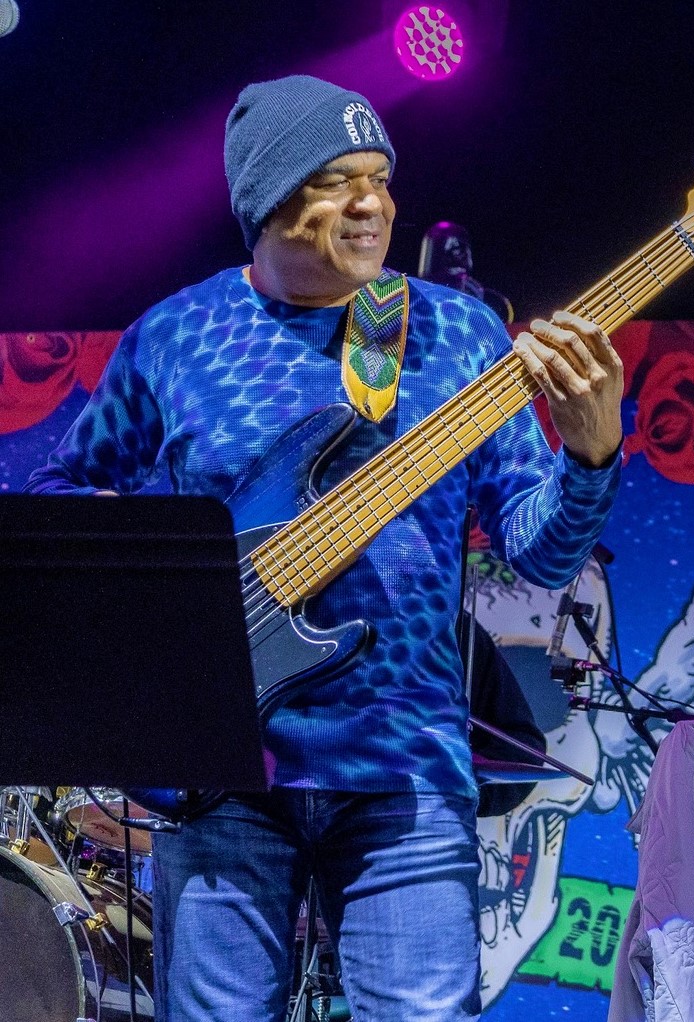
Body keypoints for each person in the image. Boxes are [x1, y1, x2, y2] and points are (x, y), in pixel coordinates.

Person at [27, 75, 625, 1022]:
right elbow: (63, 502)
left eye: (382, 179)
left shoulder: (456, 334)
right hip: (223, 771)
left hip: (406, 773)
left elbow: (540, 559)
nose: (373, 204)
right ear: (269, 201)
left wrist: (591, 454)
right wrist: (157, 628)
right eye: (338, 180)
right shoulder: (178, 337)